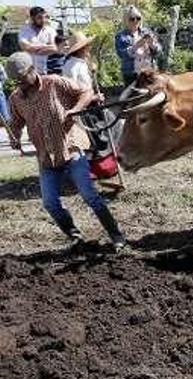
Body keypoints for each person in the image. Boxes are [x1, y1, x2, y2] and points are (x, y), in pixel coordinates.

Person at [6, 52, 126, 251]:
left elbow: (85, 92)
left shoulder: (54, 83)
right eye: (16, 81)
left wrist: (74, 109)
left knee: (89, 195)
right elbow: (16, 123)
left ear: (31, 70)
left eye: (22, 78)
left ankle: (116, 235)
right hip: (46, 158)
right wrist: (14, 137)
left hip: (70, 149)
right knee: (50, 203)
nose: (20, 84)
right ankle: (75, 235)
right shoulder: (16, 98)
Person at [115, 6, 162, 86]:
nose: (136, 21)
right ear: (125, 20)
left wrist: (152, 45)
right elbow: (121, 54)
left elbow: (159, 51)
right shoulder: (121, 36)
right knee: (132, 97)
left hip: (149, 71)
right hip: (132, 74)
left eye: (138, 18)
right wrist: (136, 46)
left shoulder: (147, 32)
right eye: (132, 19)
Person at [18, 7, 58, 75]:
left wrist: (33, 48)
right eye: (39, 17)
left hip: (48, 71)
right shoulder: (25, 30)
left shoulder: (50, 30)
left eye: (45, 17)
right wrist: (46, 46)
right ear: (32, 18)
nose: (43, 20)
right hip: (30, 72)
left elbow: (55, 47)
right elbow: (25, 47)